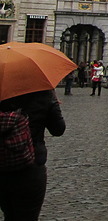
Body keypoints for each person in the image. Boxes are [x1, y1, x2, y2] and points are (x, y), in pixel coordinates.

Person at [0, 89, 66, 220]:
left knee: (9, 214)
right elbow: (58, 129)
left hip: (2, 165)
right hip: (31, 166)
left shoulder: (2, 90)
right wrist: (53, 103)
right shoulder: (43, 92)